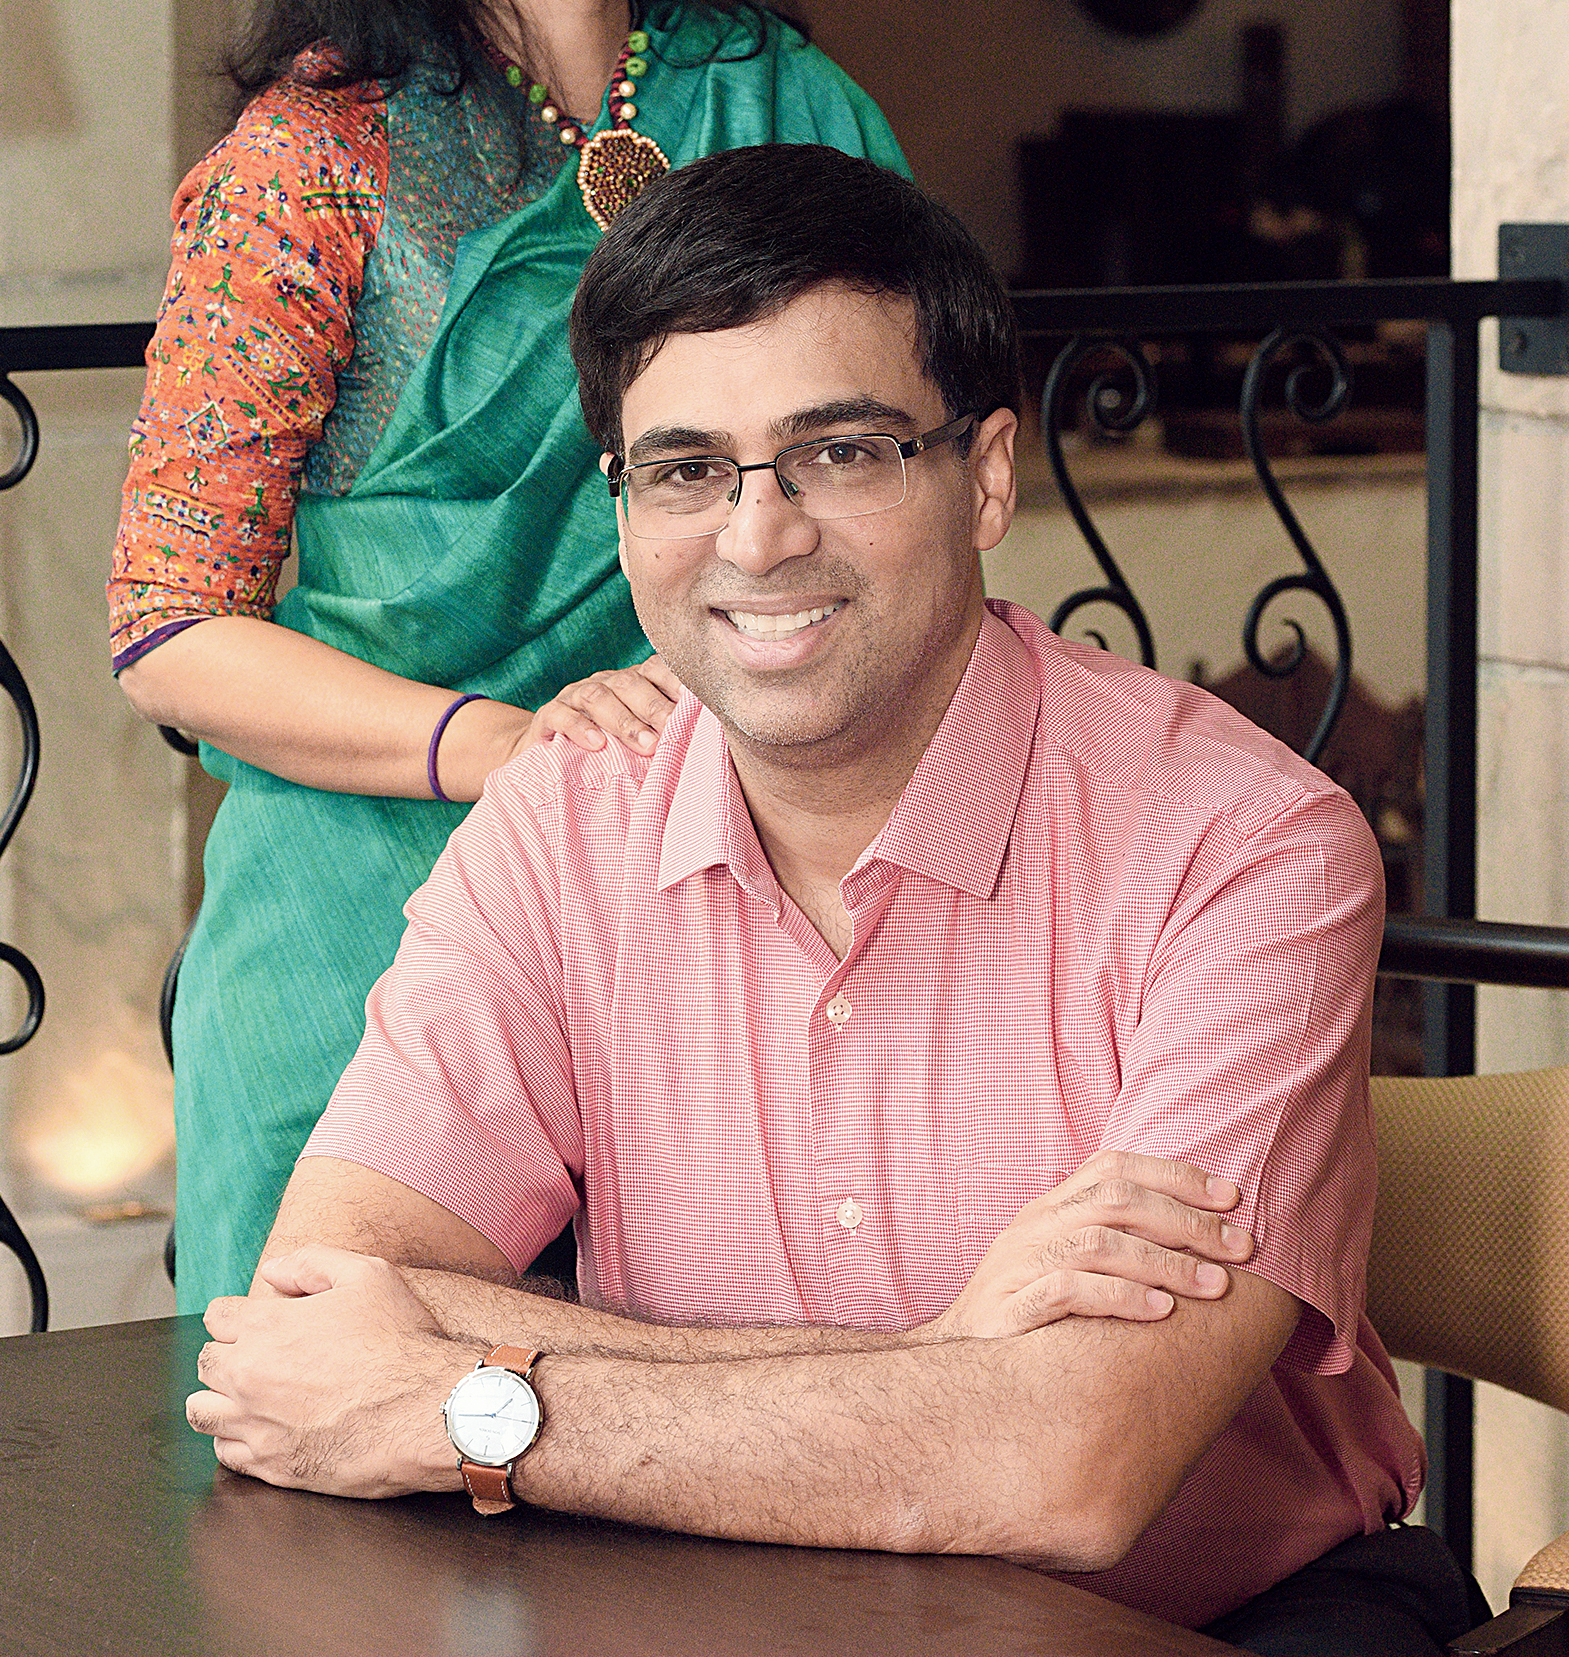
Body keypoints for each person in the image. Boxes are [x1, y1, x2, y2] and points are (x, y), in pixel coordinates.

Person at [186, 147, 1484, 1655]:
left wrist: (479, 1402)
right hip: (695, 1588)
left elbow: (1065, 1468)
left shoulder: (1245, 845)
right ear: (622, 504)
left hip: (1212, 1620)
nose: (758, 536)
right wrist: (944, 1360)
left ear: (986, 474)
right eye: (684, 469)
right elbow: (314, 1312)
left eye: (842, 453)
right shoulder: (563, 816)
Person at [108, 0, 906, 1311]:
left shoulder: (788, 108)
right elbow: (172, 635)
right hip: (370, 935)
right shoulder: (312, 174)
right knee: (354, 1522)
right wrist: (518, 749)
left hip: (724, 912)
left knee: (714, 1485)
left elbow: (907, 481)